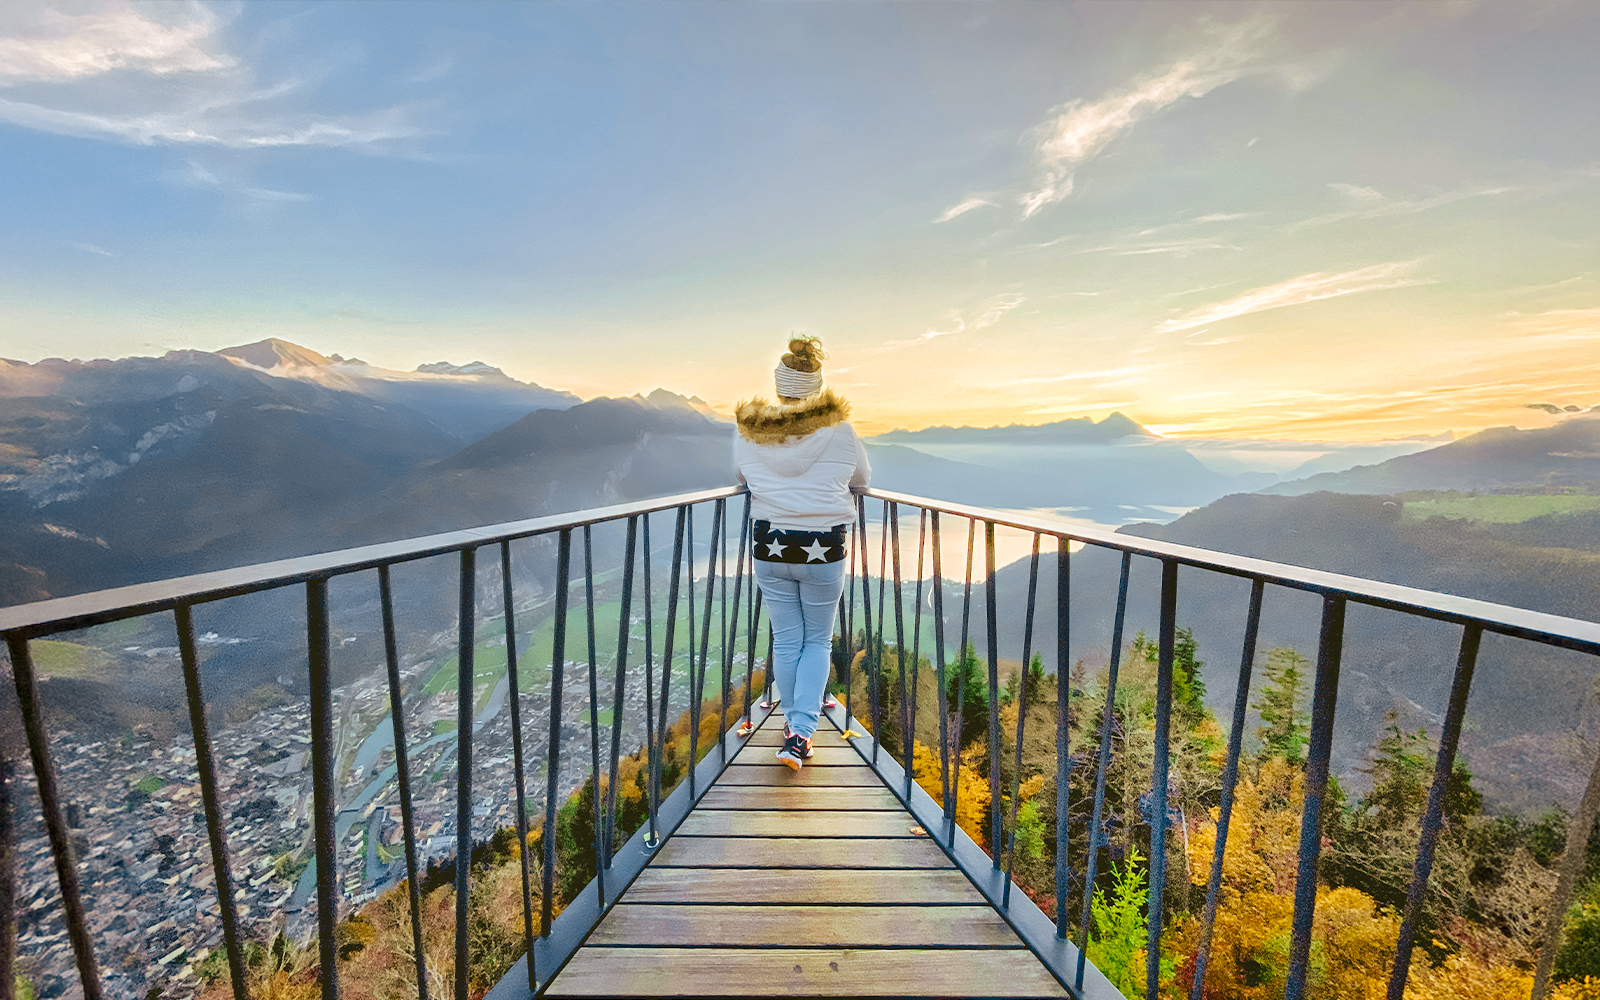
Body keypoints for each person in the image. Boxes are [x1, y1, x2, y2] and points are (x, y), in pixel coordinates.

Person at [733, 336, 869, 769]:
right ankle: (800, 733)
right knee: (817, 640)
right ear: (818, 389)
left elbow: (738, 476)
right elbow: (863, 477)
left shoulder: (749, 436)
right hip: (823, 549)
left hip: (769, 546)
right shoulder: (841, 433)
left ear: (778, 389)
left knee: (787, 639)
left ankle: (794, 727)